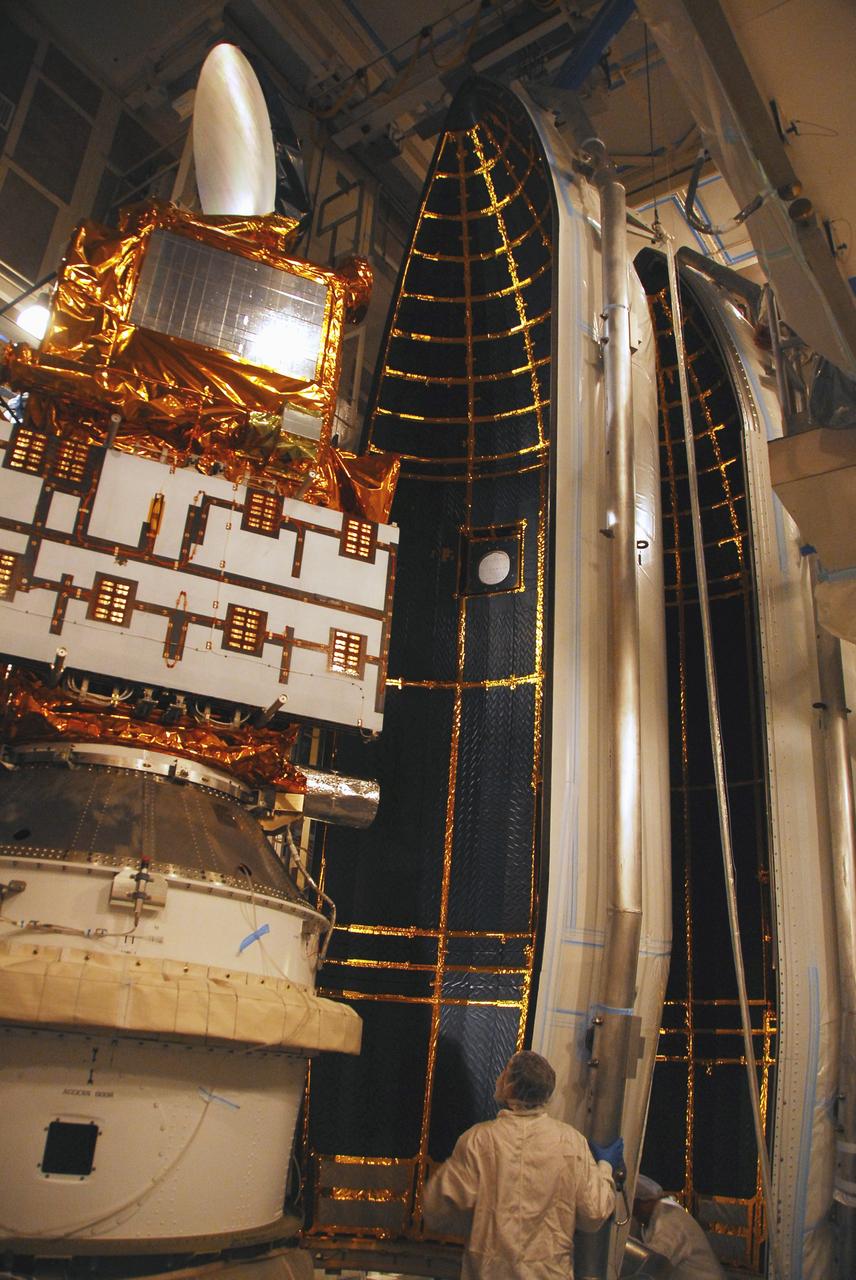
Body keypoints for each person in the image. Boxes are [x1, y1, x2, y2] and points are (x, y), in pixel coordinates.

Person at [422, 1050, 622, 1279]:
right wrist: (605, 1167)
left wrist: (474, 1226)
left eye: (505, 1073)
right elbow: (594, 1213)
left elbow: (436, 1207)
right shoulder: (571, 1143)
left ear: (510, 1086)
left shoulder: (479, 1141)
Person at [633, 1174, 725, 1279]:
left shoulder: (669, 1219)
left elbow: (656, 1262)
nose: (634, 1213)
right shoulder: (654, 1216)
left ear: (646, 1201)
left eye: (637, 1207)